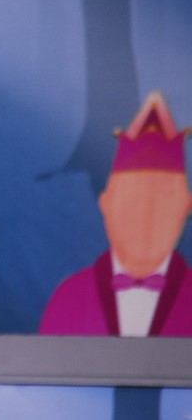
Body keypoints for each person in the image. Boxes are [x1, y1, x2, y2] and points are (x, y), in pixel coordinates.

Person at [40, 91, 192, 336]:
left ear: (185, 208)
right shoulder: (69, 298)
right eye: (132, 199)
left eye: (163, 198)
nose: (146, 216)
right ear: (106, 205)